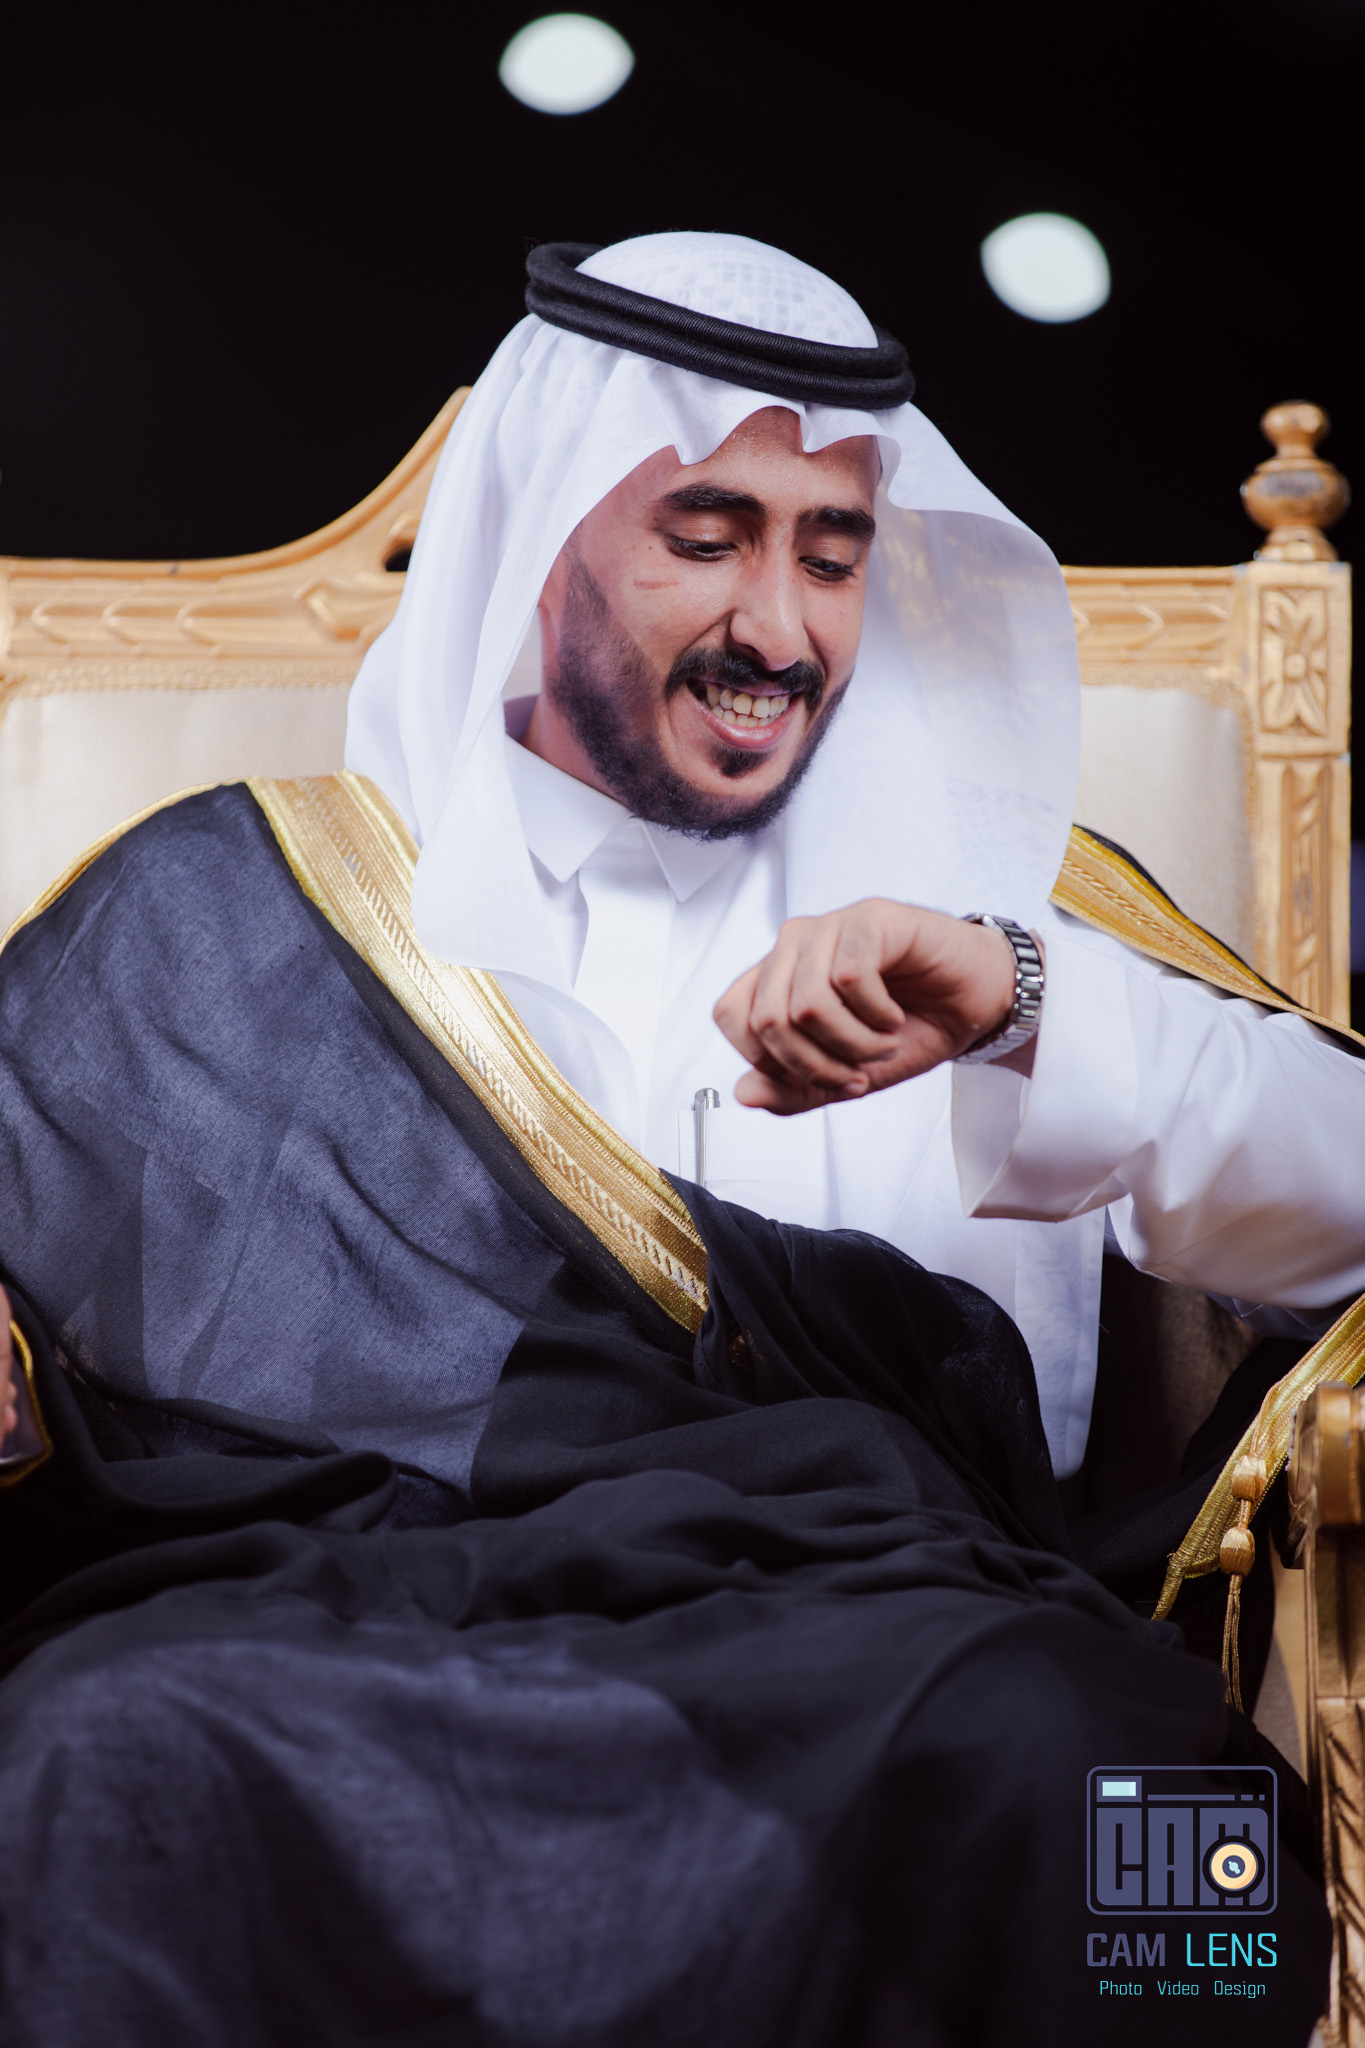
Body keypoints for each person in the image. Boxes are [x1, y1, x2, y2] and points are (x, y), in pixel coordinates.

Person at [0, 231, 1353, 2044]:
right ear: (537, 540)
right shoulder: (250, 905)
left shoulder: (996, 914)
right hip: (328, 1648)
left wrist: (1023, 1003)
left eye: (832, 556)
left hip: (905, 1658)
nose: (778, 632)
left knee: (1155, 1851)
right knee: (107, 1745)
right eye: (705, 540)